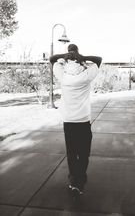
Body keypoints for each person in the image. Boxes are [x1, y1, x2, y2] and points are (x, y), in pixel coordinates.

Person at [50, 44, 102, 195]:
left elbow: (52, 59)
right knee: (84, 153)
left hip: (68, 121)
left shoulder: (63, 75)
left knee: (72, 152)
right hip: (83, 121)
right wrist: (82, 57)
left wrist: (67, 55)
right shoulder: (86, 75)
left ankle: (74, 179)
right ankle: (80, 178)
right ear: (78, 56)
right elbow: (98, 59)